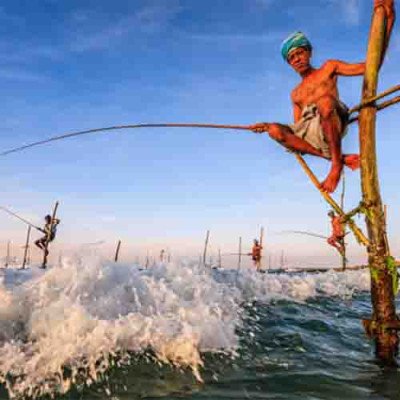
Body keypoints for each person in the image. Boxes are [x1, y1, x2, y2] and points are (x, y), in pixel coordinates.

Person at [250, 0, 395, 193]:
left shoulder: (329, 67)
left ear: (309, 53)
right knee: (274, 130)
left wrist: (389, 20)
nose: (297, 59)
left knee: (324, 101)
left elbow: (370, 66)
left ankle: (335, 166)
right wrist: (267, 126)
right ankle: (339, 159)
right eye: (291, 58)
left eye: (299, 53)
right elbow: (300, 134)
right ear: (290, 64)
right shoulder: (295, 94)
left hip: (332, 118)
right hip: (316, 133)